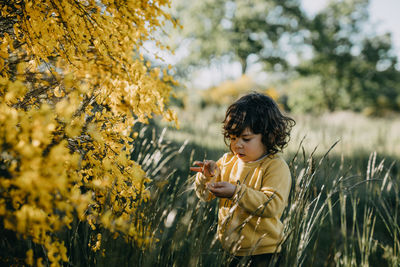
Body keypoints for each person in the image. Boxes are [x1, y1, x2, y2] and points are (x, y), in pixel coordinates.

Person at [190, 92, 295, 267]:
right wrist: (206, 177)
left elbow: (271, 205)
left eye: (246, 139)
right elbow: (204, 196)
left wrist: (236, 193)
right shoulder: (227, 161)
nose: (237, 145)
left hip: (264, 253)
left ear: (268, 135)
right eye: (232, 138)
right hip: (230, 249)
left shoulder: (275, 167)